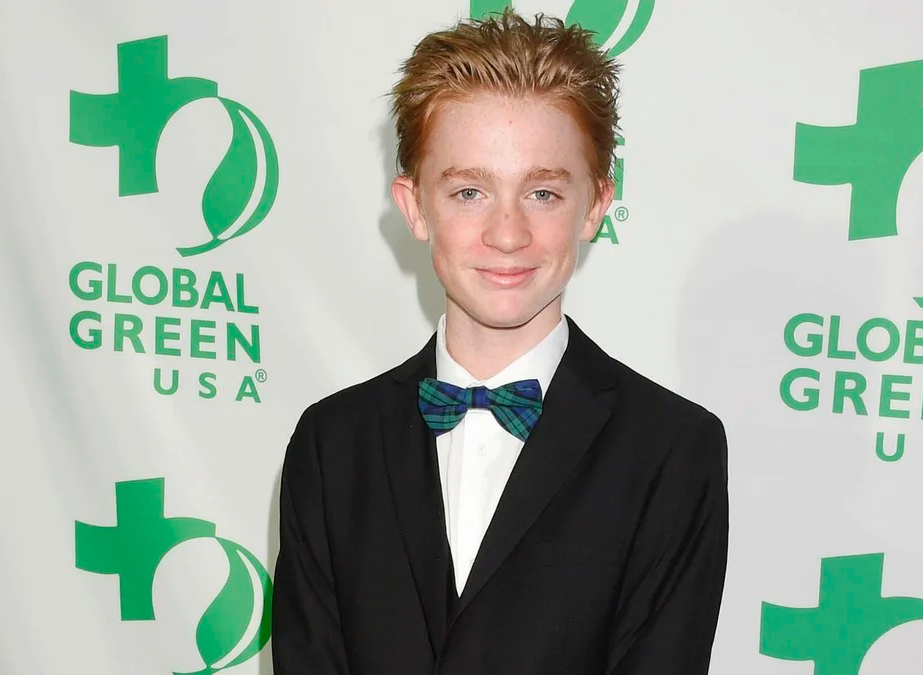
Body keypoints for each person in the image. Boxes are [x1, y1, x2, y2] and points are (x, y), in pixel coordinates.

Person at [271, 9, 729, 674]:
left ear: (596, 205)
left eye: (542, 193)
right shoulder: (332, 443)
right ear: (415, 206)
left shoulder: (671, 451)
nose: (507, 233)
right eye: (468, 192)